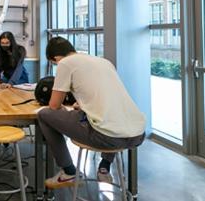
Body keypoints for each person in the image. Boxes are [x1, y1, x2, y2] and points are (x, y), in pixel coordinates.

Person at [38, 36, 145, 189]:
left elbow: (54, 105)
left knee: (44, 114)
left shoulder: (65, 63)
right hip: (136, 134)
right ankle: (104, 166)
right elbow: (105, 98)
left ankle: (69, 171)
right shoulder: (104, 62)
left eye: (54, 63)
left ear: (55, 58)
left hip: (106, 138)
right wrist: (84, 106)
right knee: (111, 117)